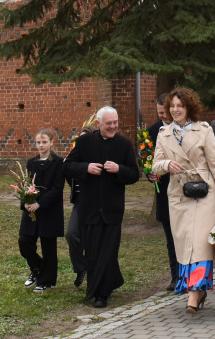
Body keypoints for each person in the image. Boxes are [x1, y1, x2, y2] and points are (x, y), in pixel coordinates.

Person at [152, 87, 215, 315]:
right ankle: (198, 289)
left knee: (200, 244)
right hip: (179, 195)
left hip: (203, 193)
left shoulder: (204, 130)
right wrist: (167, 165)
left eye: (180, 106)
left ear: (189, 107)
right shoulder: (164, 133)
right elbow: (155, 164)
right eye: (172, 106)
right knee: (184, 245)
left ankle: (193, 293)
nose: (176, 110)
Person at [63, 106, 140, 307]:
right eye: (109, 123)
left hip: (112, 209)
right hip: (89, 208)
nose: (113, 126)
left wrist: (119, 169)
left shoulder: (123, 145)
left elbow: (134, 174)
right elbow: (67, 166)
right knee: (94, 251)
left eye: (115, 122)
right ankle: (100, 287)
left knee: (108, 252)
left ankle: (101, 294)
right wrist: (85, 168)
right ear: (98, 124)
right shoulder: (84, 142)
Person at [19, 129, 65, 291]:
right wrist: (25, 202)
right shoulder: (32, 162)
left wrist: (40, 204)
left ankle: (47, 280)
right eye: (38, 142)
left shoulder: (58, 162)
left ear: (52, 143)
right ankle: (37, 268)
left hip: (49, 210)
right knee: (24, 241)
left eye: (44, 142)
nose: (41, 145)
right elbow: (26, 184)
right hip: (31, 210)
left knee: (48, 246)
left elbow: (57, 188)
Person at [147, 93, 180, 291]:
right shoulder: (152, 131)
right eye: (160, 114)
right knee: (170, 238)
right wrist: (149, 174)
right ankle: (175, 276)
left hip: (183, 189)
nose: (164, 117)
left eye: (166, 113)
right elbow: (148, 161)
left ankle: (189, 275)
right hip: (164, 193)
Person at [64, 121, 97, 288]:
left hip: (95, 205)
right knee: (71, 234)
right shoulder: (74, 160)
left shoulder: (96, 159)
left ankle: (94, 276)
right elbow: (69, 176)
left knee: (93, 241)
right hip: (79, 203)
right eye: (79, 140)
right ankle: (80, 267)